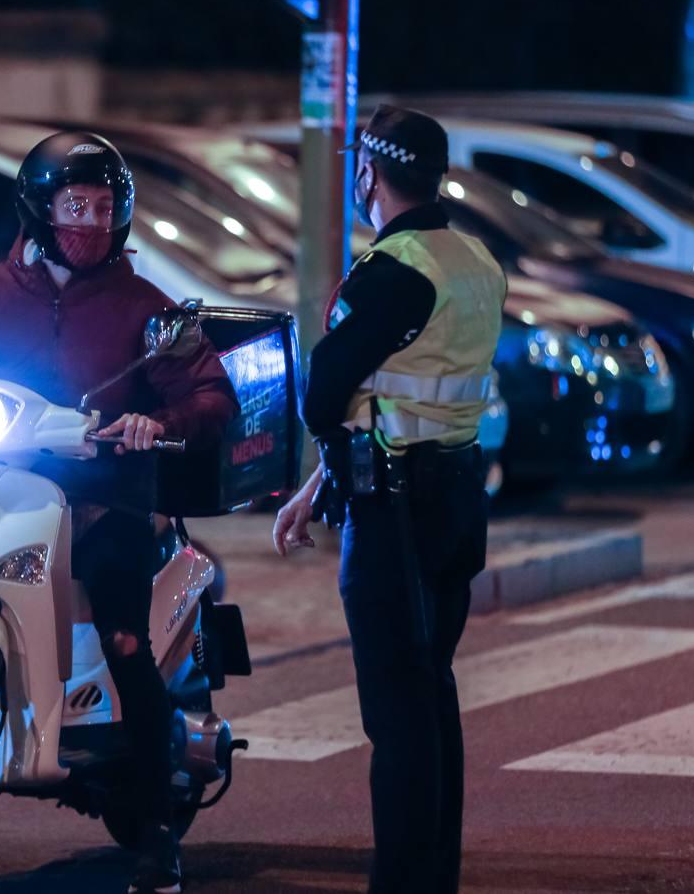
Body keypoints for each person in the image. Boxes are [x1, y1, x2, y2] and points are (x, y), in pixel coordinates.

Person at [0, 131, 237, 894]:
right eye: (77, 205)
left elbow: (208, 392)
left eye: (106, 207)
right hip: (4, 489)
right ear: (39, 208)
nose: (92, 222)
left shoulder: (145, 307)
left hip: (106, 500)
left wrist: (156, 425)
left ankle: (157, 835)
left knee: (125, 637)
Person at [272, 104, 506, 894]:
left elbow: (327, 388)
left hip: (395, 512)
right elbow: (396, 400)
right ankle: (434, 874)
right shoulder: (473, 259)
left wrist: (321, 455)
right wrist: (318, 486)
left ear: (368, 172)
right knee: (430, 690)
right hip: (453, 495)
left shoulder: (395, 269)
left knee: (399, 714)